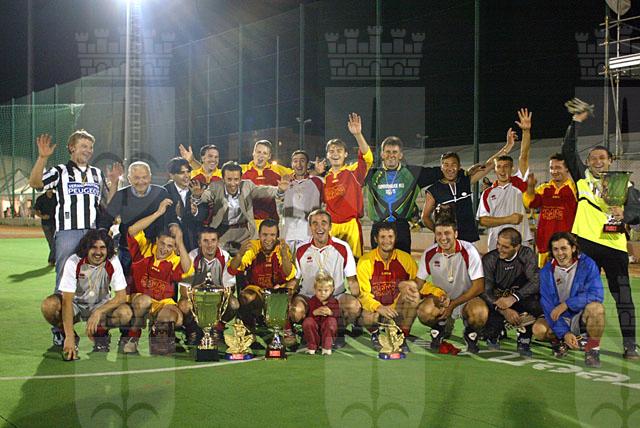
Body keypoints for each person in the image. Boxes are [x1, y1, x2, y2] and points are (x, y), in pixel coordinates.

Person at [29, 131, 121, 346]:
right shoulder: (60, 171)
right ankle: (61, 330)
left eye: (90, 147)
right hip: (68, 233)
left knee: (97, 279)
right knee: (64, 280)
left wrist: (115, 183)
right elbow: (35, 183)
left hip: (92, 233)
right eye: (83, 146)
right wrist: (42, 158)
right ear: (72, 148)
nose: (88, 150)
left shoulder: (97, 174)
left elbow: (108, 204)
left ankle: (98, 328)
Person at [562, 108, 640, 359]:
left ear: (610, 161)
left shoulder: (625, 184)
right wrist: (575, 122)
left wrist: (624, 214)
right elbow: (567, 150)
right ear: (588, 162)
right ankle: (586, 339)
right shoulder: (581, 179)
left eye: (602, 158)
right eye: (593, 158)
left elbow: (637, 212)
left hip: (615, 246)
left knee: (623, 296)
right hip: (586, 246)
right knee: (586, 296)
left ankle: (630, 345)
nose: (597, 162)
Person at [398, 218, 487, 354]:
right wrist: (407, 289)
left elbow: (479, 286)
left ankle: (470, 331)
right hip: (441, 300)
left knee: (480, 313)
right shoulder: (429, 253)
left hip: (467, 299)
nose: (443, 238)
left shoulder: (470, 251)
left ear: (455, 234)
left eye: (447, 233)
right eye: (439, 234)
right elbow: (419, 283)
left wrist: (453, 305)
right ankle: (441, 326)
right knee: (424, 312)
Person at [118, 199, 194, 355]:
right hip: (139, 302)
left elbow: (188, 270)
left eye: (170, 246)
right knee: (144, 301)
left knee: (176, 318)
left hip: (162, 304)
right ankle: (133, 337)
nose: (165, 249)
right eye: (162, 243)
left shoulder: (174, 260)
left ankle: (157, 335)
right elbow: (132, 230)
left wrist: (180, 242)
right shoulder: (144, 250)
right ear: (156, 241)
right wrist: (158, 213)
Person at [40, 229, 130, 359]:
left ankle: (100, 335)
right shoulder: (74, 262)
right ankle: (67, 335)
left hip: (100, 305)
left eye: (102, 248)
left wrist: (98, 312)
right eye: (94, 247)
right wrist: (69, 337)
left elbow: (121, 296)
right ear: (87, 248)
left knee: (125, 313)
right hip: (76, 306)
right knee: (49, 306)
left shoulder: (113, 261)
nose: (98, 252)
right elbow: (67, 301)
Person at [421, 130, 518, 243]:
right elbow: (425, 217)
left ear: (459, 167)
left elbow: (490, 165)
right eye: (446, 165)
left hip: (468, 239)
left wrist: (508, 146)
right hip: (445, 242)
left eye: (453, 164)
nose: (450, 168)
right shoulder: (433, 190)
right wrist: (440, 232)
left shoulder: (465, 181)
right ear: (441, 168)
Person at [534, 232, 606, 367]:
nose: (560, 253)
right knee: (539, 330)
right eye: (555, 249)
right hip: (558, 316)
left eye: (563, 248)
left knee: (597, 308)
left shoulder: (588, 264)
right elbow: (548, 305)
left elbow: (597, 294)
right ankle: (560, 341)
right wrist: (565, 333)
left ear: (573, 248)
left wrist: (567, 304)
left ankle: (592, 349)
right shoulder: (546, 271)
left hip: (579, 315)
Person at [291, 209, 361, 347]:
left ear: (330, 226)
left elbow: (352, 280)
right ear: (310, 227)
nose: (319, 227)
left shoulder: (343, 247)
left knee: (354, 306)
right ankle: (307, 330)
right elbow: (295, 279)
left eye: (324, 223)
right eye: (315, 223)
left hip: (336, 296)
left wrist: (359, 302)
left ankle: (339, 331)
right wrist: (288, 298)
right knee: (296, 310)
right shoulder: (301, 249)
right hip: (309, 296)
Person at [190, 161, 289, 256]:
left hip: (243, 232)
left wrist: (279, 190)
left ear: (241, 178)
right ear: (223, 179)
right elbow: (206, 196)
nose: (233, 183)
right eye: (229, 179)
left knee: (248, 259)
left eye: (236, 179)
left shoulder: (247, 186)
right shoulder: (215, 186)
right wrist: (197, 196)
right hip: (221, 232)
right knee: (220, 260)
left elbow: (263, 191)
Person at [364, 136, 443, 253]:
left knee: (403, 263)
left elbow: (443, 172)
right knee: (378, 263)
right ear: (382, 154)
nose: (391, 155)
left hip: (401, 228)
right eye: (388, 152)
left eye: (395, 152)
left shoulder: (413, 173)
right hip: (379, 227)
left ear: (400, 155)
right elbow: (349, 176)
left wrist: (465, 173)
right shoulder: (371, 174)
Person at [99, 161, 178, 274]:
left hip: (154, 251)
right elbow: (106, 219)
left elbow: (171, 219)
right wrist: (102, 236)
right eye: (136, 178)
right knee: (125, 283)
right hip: (127, 251)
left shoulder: (161, 193)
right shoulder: (121, 195)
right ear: (129, 179)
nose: (141, 182)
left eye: (144, 177)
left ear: (150, 177)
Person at [477, 110, 534, 250]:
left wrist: (526, 131)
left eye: (506, 167)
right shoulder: (487, 193)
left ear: (512, 169)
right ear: (495, 170)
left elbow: (524, 156)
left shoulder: (518, 183)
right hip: (496, 245)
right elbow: (483, 220)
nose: (502, 170)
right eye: (499, 167)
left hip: (520, 243)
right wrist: (508, 219)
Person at [226, 219, 296, 333]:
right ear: (259, 235)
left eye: (272, 235)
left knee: (292, 284)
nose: (268, 239)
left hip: (277, 291)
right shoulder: (253, 246)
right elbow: (232, 269)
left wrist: (284, 256)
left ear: (277, 236)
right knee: (246, 297)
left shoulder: (282, 247)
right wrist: (239, 254)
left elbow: (289, 274)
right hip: (257, 291)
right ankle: (249, 329)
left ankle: (286, 326)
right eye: (265, 235)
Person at [357, 222, 418, 351]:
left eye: (390, 237)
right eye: (382, 237)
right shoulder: (365, 261)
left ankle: (402, 335)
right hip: (376, 310)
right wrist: (379, 307)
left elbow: (420, 283)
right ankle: (375, 333)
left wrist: (439, 294)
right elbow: (363, 294)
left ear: (395, 238)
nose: (387, 241)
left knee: (413, 292)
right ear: (376, 239)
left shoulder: (406, 259)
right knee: (366, 315)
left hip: (397, 309)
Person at [481, 227, 541, 356]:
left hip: (519, 299)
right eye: (498, 244)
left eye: (505, 247)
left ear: (517, 247)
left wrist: (513, 298)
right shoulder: (489, 259)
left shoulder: (526, 254)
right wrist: (504, 310)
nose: (500, 249)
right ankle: (495, 332)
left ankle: (524, 336)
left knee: (535, 303)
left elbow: (536, 282)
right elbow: (485, 291)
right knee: (487, 321)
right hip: (497, 302)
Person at [323, 113, 373, 258]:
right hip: (331, 227)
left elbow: (367, 158)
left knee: (354, 263)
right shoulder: (324, 179)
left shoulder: (354, 172)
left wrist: (358, 134)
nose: (335, 154)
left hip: (351, 226)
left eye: (339, 151)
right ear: (327, 155)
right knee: (331, 264)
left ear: (345, 154)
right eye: (331, 151)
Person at [182, 228, 238, 343]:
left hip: (216, 299)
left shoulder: (225, 256)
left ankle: (218, 329)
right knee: (184, 305)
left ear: (218, 242)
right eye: (205, 241)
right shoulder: (191, 256)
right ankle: (193, 329)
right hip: (196, 299)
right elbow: (183, 289)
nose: (210, 245)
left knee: (233, 304)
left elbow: (229, 288)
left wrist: (212, 297)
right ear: (199, 243)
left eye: (213, 240)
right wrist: (199, 298)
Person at [523, 152, 577, 267]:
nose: (554, 171)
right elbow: (530, 203)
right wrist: (531, 187)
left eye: (558, 167)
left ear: (567, 168)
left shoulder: (575, 189)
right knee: (545, 277)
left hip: (566, 247)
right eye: (551, 168)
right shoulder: (544, 188)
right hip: (545, 246)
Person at [241, 140, 294, 229]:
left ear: (269, 156)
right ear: (253, 153)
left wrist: (314, 170)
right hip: (249, 224)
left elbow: (298, 173)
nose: (261, 155)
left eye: (264, 153)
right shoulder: (242, 170)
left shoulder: (278, 170)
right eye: (258, 152)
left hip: (272, 223)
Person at [282, 150, 324, 252]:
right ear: (292, 164)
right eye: (295, 161)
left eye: (302, 161)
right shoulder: (285, 181)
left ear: (308, 164)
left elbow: (328, 203)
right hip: (288, 234)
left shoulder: (318, 182)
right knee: (287, 262)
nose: (299, 164)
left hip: (308, 234)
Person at [164, 157, 199, 251]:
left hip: (196, 241)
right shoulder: (165, 192)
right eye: (181, 173)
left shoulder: (197, 187)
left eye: (188, 171)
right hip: (174, 245)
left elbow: (205, 214)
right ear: (172, 175)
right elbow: (165, 220)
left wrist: (196, 212)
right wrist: (178, 217)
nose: (186, 176)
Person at [303, 272, 340, 355]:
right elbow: (307, 317)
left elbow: (338, 317)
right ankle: (312, 346)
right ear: (314, 290)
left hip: (328, 334)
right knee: (308, 321)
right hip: (315, 331)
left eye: (326, 290)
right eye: (319, 290)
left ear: (332, 290)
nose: (322, 293)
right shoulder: (312, 301)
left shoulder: (334, 302)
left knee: (331, 321)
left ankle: (326, 347)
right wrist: (313, 313)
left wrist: (331, 313)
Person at [34, 189, 57, 266]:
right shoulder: (41, 198)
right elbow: (36, 210)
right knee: (51, 242)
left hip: (56, 223)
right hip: (46, 223)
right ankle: (53, 259)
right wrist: (42, 216)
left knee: (55, 242)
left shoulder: (56, 197)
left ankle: (52, 260)